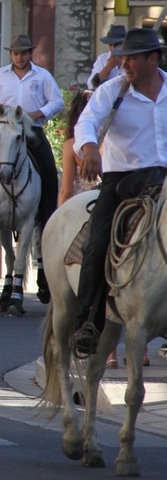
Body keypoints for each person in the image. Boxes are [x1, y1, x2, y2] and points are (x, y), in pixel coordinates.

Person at [72, 27, 167, 359]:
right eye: (122, 56)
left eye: (131, 58)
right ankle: (89, 323)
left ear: (152, 58)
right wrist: (89, 150)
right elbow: (85, 124)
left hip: (165, 177)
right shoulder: (113, 91)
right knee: (97, 242)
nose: (123, 63)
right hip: (122, 178)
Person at [0, 33, 64, 239]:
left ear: (30, 54)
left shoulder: (42, 76)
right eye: (15, 54)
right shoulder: (0, 75)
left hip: (31, 130)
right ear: (11, 55)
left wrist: (39, 113)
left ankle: (47, 220)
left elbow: (57, 101)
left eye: (23, 54)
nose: (19, 58)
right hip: (4, 129)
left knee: (48, 170)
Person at [57, 89, 98, 206]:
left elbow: (66, 191)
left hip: (81, 205)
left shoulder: (71, 145)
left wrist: (59, 219)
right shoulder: (110, 140)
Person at [87, 24, 126, 90]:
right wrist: (109, 67)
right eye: (110, 45)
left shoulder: (131, 59)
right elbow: (91, 85)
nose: (113, 48)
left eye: (116, 44)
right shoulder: (102, 59)